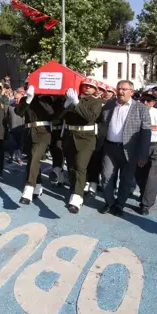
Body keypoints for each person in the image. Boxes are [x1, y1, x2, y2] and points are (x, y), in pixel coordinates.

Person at [98, 80, 151, 216]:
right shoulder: (109, 105)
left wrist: (144, 154)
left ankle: (120, 205)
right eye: (119, 89)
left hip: (130, 150)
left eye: (124, 89)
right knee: (106, 176)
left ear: (131, 92)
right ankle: (109, 202)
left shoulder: (141, 109)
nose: (120, 92)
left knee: (126, 180)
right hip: (109, 148)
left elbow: (146, 132)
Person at [61, 78, 103, 213]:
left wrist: (76, 103)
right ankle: (75, 189)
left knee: (81, 166)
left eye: (90, 86)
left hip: (86, 138)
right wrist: (66, 105)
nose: (87, 88)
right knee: (71, 166)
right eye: (85, 85)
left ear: (95, 90)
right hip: (70, 136)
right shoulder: (72, 98)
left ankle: (77, 198)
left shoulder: (96, 102)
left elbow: (89, 117)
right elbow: (58, 117)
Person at [15, 83, 57, 204]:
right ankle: (37, 185)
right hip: (29, 132)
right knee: (33, 159)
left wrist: (38, 98)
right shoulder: (25, 98)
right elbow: (18, 112)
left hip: (43, 132)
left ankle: (28, 188)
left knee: (34, 158)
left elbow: (51, 113)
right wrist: (28, 99)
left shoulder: (47, 99)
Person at [6, 88, 26, 164]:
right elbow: (7, 116)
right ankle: (11, 157)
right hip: (12, 128)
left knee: (20, 144)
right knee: (11, 144)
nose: (16, 100)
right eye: (15, 98)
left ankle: (19, 157)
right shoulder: (10, 106)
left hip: (21, 128)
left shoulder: (25, 107)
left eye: (17, 98)